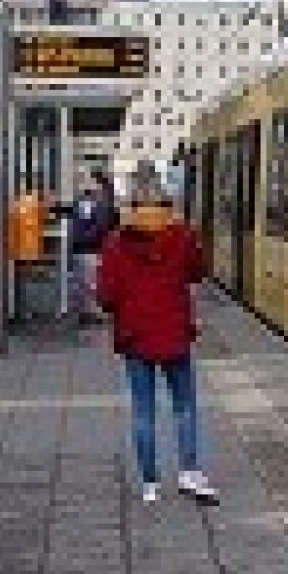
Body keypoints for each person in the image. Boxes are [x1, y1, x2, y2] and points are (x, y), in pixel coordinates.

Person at [97, 189, 215, 504]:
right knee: (184, 407)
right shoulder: (182, 237)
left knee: (143, 412)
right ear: (168, 210)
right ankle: (189, 473)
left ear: (132, 210)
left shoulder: (115, 243)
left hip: (135, 337)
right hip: (174, 335)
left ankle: (150, 484)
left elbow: (105, 297)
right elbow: (198, 273)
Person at [69, 177, 115, 323]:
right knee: (82, 281)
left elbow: (102, 225)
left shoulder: (102, 204)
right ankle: (84, 311)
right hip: (81, 248)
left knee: (91, 281)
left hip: (91, 247)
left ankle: (92, 312)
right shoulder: (79, 204)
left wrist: (85, 238)